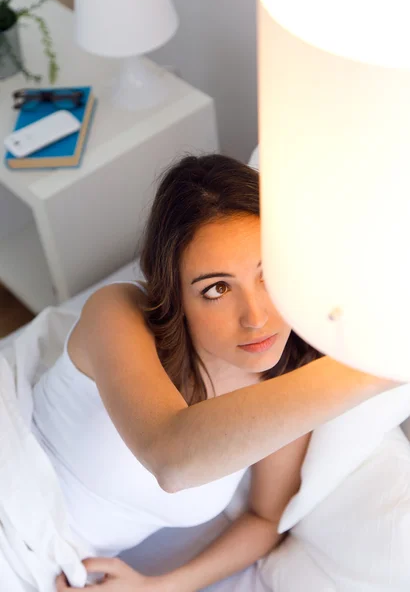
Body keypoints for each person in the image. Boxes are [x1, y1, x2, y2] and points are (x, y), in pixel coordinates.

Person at [31, 154, 396, 592]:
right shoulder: (119, 313)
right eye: (217, 288)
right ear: (175, 295)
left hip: (52, 570)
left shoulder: (284, 395)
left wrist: (158, 587)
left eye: (270, 274)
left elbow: (264, 521)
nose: (257, 317)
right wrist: (386, 361)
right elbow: (171, 458)